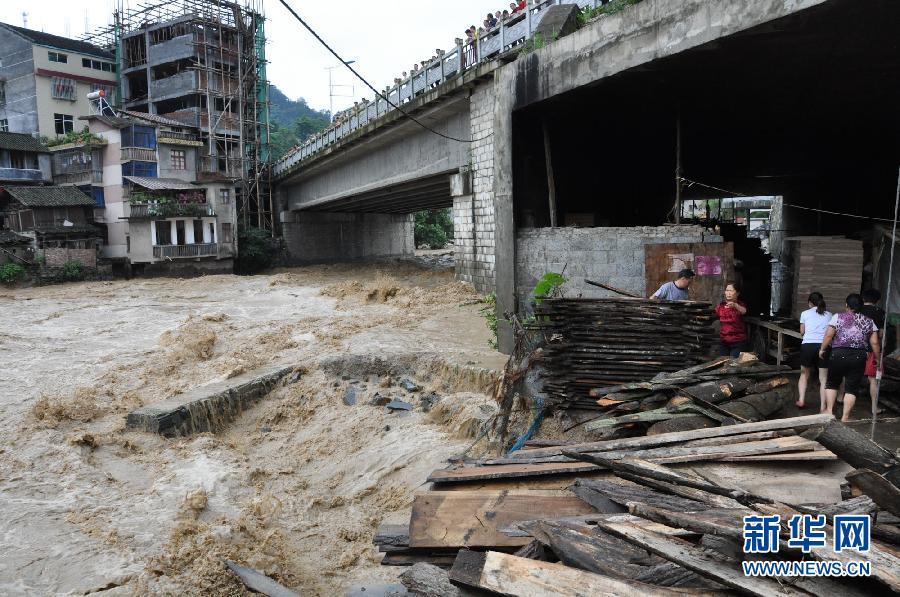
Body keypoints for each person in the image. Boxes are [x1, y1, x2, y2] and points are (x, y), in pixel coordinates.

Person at [819, 294, 880, 422]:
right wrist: (877, 358)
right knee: (851, 388)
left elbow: (829, 335)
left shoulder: (837, 317)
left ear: (846, 305)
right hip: (858, 356)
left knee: (832, 383)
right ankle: (845, 417)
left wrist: (822, 349)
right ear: (861, 306)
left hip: (838, 353)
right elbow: (874, 342)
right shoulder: (869, 321)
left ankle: (829, 411)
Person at [796, 292, 831, 409]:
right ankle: (822, 407)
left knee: (804, 374)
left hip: (808, 345)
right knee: (823, 378)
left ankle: (801, 400)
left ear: (810, 303)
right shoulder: (829, 315)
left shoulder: (805, 313)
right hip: (824, 346)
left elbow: (802, 332)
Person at [860, 288, 886, 406]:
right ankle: (874, 408)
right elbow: (880, 334)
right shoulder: (879, 312)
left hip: (855, 348)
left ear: (863, 298)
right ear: (877, 300)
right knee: (873, 380)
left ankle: (840, 399)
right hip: (872, 349)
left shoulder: (856, 309)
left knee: (848, 375)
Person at [715, 283, 749, 357]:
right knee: (722, 363)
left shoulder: (740, 305)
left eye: (731, 290)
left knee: (734, 364)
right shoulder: (721, 306)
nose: (728, 293)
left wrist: (735, 305)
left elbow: (744, 311)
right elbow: (713, 315)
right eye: (727, 290)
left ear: (737, 293)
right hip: (724, 341)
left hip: (738, 342)